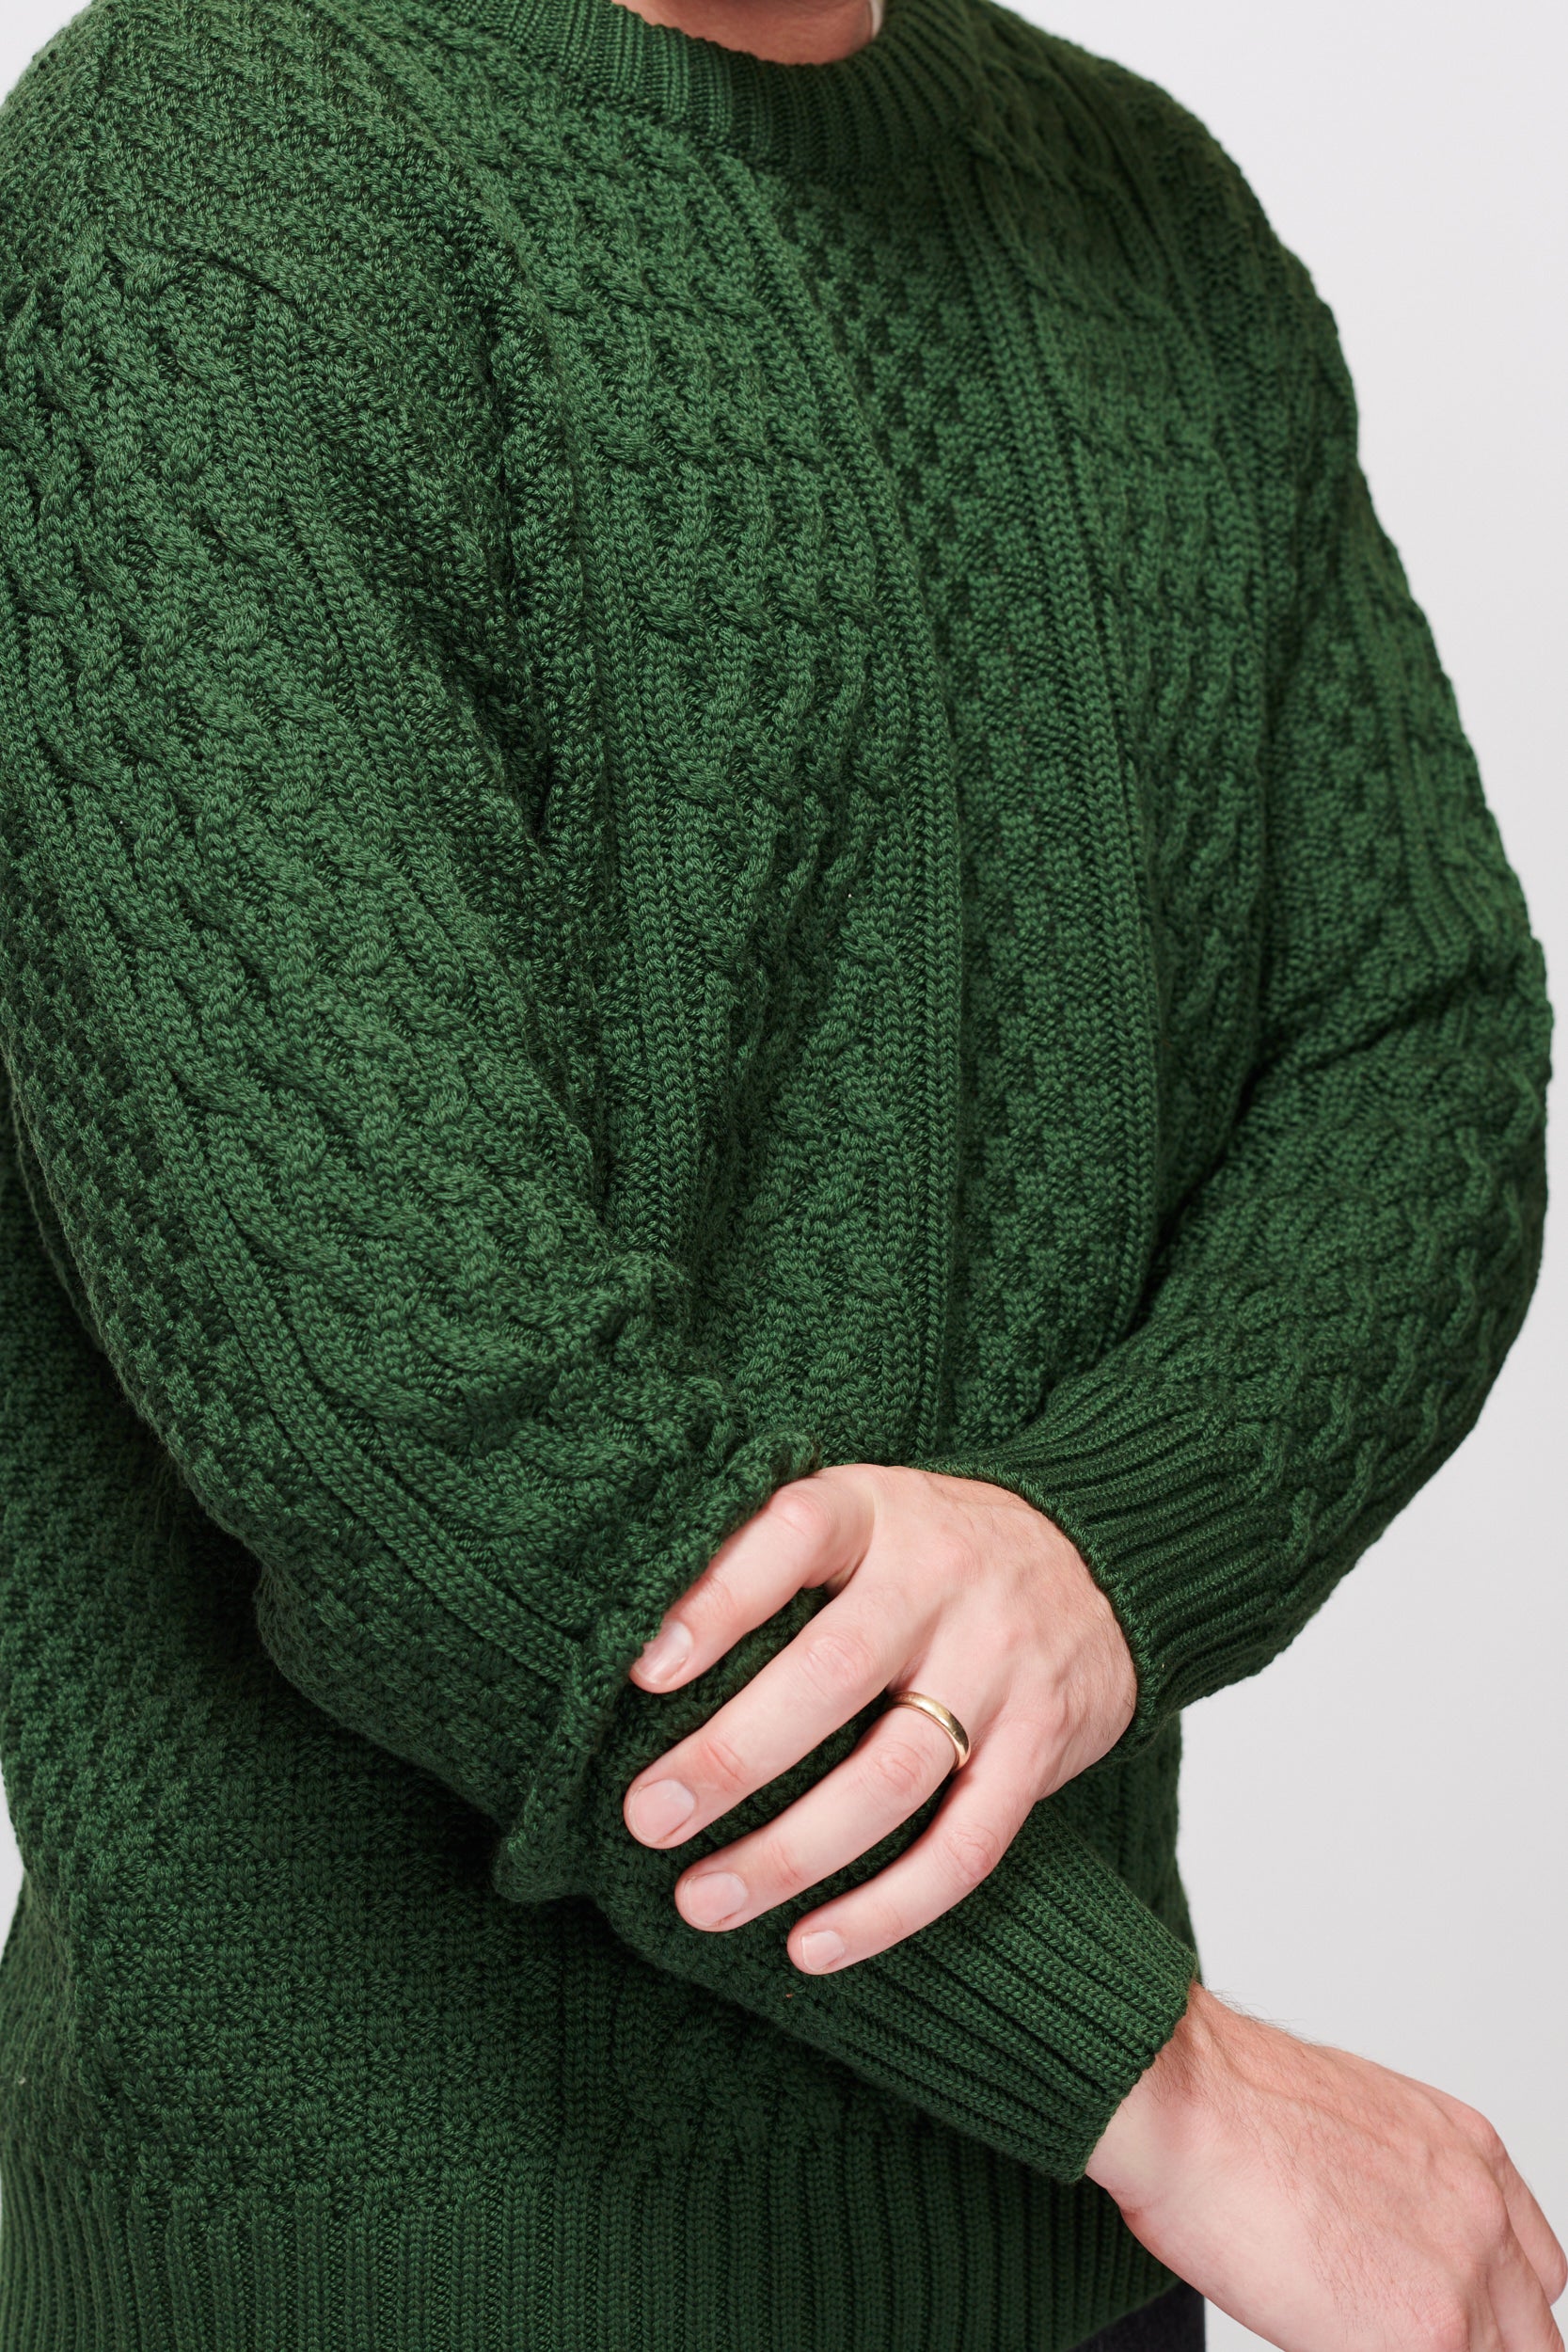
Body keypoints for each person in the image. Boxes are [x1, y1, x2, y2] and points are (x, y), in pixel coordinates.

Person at [0, 0, 1559, 2336]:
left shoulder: (1148, 211)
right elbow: (416, 1428)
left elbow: (1420, 1049)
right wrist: (1158, 2078)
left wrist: (1098, 1541)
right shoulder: (200, 190)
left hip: (1053, 2265)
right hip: (397, 2281)